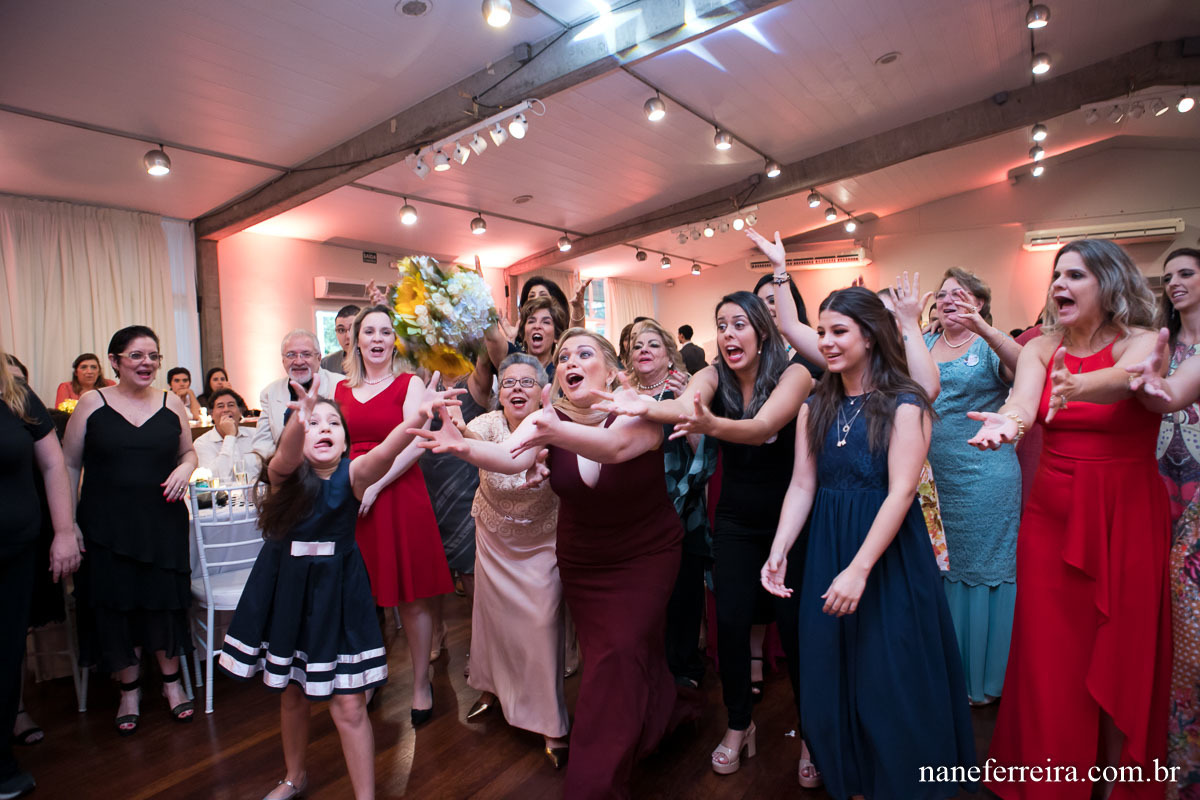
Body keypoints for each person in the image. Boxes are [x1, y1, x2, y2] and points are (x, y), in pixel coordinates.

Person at [415, 329, 694, 799]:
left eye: (584, 353)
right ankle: (659, 716)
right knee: (623, 654)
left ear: (611, 369)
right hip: (584, 561)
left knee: (615, 656)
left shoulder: (636, 409)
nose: (570, 362)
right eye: (563, 357)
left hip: (645, 555)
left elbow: (613, 448)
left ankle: (595, 785)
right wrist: (461, 445)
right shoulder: (549, 417)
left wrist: (551, 428)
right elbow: (508, 457)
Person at [968, 240, 1170, 800]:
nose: (1060, 284)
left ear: (1109, 282)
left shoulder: (1142, 341)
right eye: (1057, 275)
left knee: (1122, 655)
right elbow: (1021, 403)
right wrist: (1008, 424)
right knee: (1052, 657)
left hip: (1126, 516)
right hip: (1052, 520)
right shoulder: (1040, 346)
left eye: (1076, 274)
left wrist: (1079, 384)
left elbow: (1126, 379)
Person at [761, 286, 976, 800]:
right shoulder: (814, 406)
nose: (826, 342)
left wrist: (859, 569)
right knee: (832, 670)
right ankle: (853, 780)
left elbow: (902, 492)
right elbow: (802, 485)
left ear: (870, 337)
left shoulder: (906, 404)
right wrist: (780, 547)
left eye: (839, 331)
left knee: (889, 673)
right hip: (828, 546)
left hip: (888, 554)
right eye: (822, 332)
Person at [598, 291, 815, 783]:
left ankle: (811, 733)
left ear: (762, 331)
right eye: (721, 325)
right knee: (731, 624)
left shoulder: (795, 374)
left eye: (739, 324)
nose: (728, 334)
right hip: (735, 522)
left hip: (792, 519)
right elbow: (683, 403)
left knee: (797, 631)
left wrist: (709, 422)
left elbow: (761, 427)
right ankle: (740, 724)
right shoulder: (714, 376)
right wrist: (645, 404)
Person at [219, 372, 451, 800]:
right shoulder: (284, 476)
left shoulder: (353, 475)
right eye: (314, 424)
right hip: (289, 595)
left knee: (349, 703)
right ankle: (294, 777)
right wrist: (299, 421)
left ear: (345, 443)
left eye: (333, 424)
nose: (324, 428)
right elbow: (286, 456)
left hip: (339, 597)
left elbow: (386, 452)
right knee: (292, 694)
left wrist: (418, 417)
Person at [423, 354, 569, 767]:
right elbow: (473, 440)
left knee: (542, 627)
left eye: (526, 382)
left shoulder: (553, 424)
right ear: (498, 392)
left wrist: (463, 439)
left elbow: (508, 455)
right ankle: (491, 691)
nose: (516, 389)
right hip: (493, 536)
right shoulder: (486, 423)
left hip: (541, 542)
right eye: (508, 383)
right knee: (491, 621)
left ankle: (550, 721)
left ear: (542, 391)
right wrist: (456, 426)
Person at [63, 325, 198, 735]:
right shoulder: (92, 402)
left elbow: (188, 451)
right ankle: (129, 690)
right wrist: (68, 524)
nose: (147, 363)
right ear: (115, 360)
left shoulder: (171, 402)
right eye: (137, 355)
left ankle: (172, 685)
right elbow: (68, 463)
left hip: (162, 524)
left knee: (163, 603)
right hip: (106, 526)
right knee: (117, 605)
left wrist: (186, 468)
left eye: (153, 356)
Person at [334, 306, 454, 725]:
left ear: (394, 341)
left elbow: (416, 441)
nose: (378, 338)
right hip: (353, 498)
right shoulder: (341, 389)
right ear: (355, 340)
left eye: (386, 331)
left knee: (412, 600)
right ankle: (370, 676)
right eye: (369, 331)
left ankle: (421, 683)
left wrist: (376, 484)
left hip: (398, 492)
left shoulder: (410, 383)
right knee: (361, 597)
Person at [1118, 247, 1200, 797]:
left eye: (1186, 273)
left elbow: (1170, 396)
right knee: (1162, 611)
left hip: (1196, 489)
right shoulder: (1156, 344)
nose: (1174, 283)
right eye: (1168, 277)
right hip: (1154, 482)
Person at [921, 267, 1023, 706]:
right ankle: (941, 672)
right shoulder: (924, 342)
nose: (948, 300)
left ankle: (982, 678)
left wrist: (983, 328)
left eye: (959, 294)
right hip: (932, 480)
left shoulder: (987, 346)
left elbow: (1026, 367)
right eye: (942, 294)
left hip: (986, 478)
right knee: (940, 568)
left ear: (979, 303)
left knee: (982, 569)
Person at [0, 342, 82, 799]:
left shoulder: (16, 393)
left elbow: (53, 464)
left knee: (7, 651)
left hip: (14, 550)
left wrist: (64, 531)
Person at [630, 320, 717, 689]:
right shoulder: (622, 396)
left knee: (683, 593)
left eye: (653, 344)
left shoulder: (683, 392)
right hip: (636, 511)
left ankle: (683, 669)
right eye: (637, 345)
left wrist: (688, 413)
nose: (644, 350)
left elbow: (705, 454)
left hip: (683, 510)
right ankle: (647, 668)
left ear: (669, 356)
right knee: (644, 597)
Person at [252, 330, 344, 461]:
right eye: (291, 355)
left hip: (333, 466)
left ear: (319, 358)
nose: (299, 361)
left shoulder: (341, 385)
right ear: (283, 360)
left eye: (306, 354)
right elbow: (262, 444)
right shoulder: (270, 393)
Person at [193, 388, 260, 484]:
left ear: (240, 412)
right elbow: (215, 477)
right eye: (220, 406)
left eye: (231, 405)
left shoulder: (255, 434)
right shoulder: (202, 443)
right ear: (212, 414)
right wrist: (230, 437)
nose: (226, 409)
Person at [321, 304, 362, 375]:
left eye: (353, 329)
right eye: (341, 330)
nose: (348, 336)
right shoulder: (327, 364)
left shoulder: (375, 360)